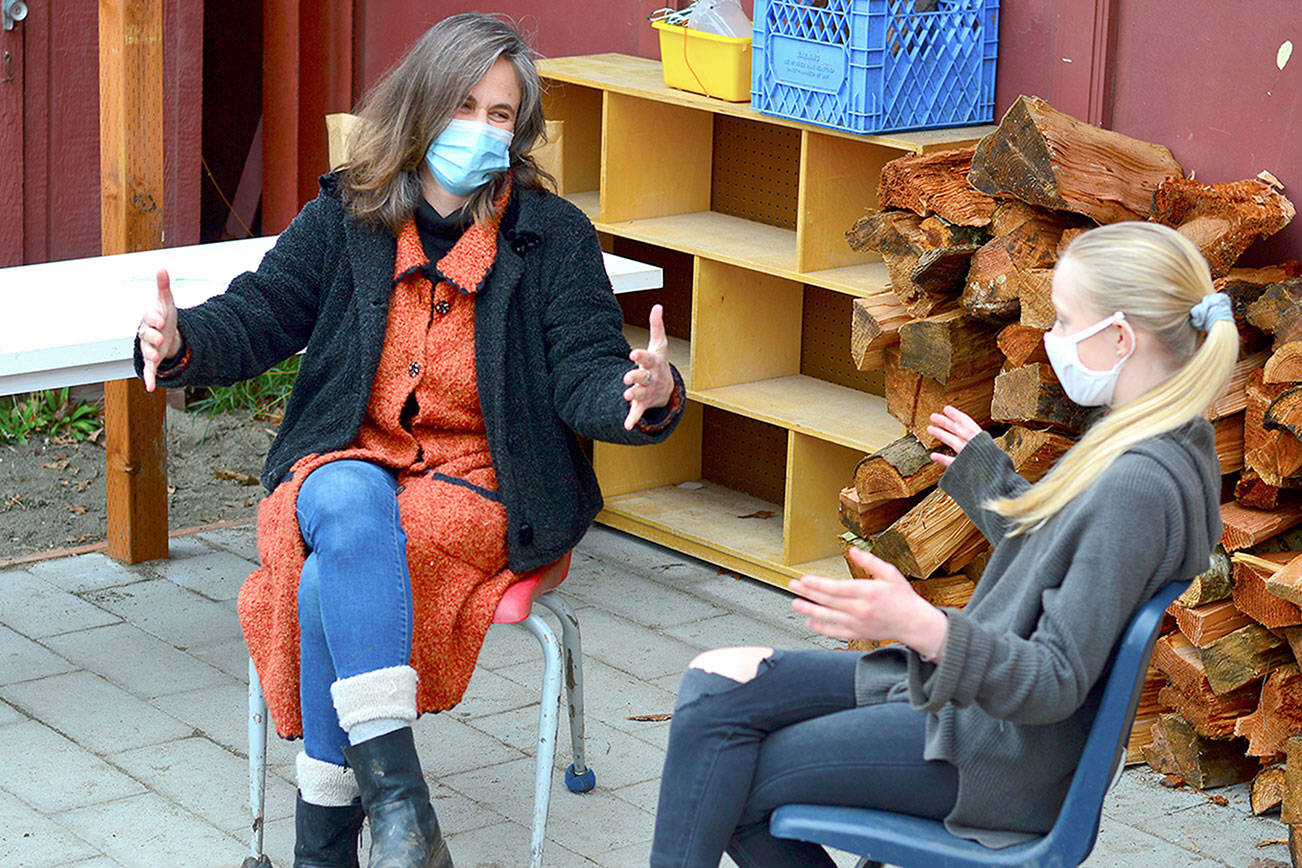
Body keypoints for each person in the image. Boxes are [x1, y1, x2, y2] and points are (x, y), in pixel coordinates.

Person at [135, 13, 685, 868]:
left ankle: (327, 844)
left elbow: (586, 369)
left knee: (327, 578)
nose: (480, 128)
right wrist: (183, 341)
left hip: (477, 481)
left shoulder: (552, 237)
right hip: (344, 454)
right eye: (464, 105)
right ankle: (400, 807)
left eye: (501, 115)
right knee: (347, 501)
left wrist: (640, 395)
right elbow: (264, 309)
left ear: (519, 131)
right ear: (422, 106)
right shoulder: (349, 213)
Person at [647, 220, 1239, 867]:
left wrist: (924, 626)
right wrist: (991, 482)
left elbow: (1054, 679)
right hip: (979, 720)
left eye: (1066, 323)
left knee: (725, 778)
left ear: (1121, 338)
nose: (1052, 340)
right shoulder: (1169, 440)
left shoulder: (1137, 483)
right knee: (713, 685)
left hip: (993, 755)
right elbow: (1069, 560)